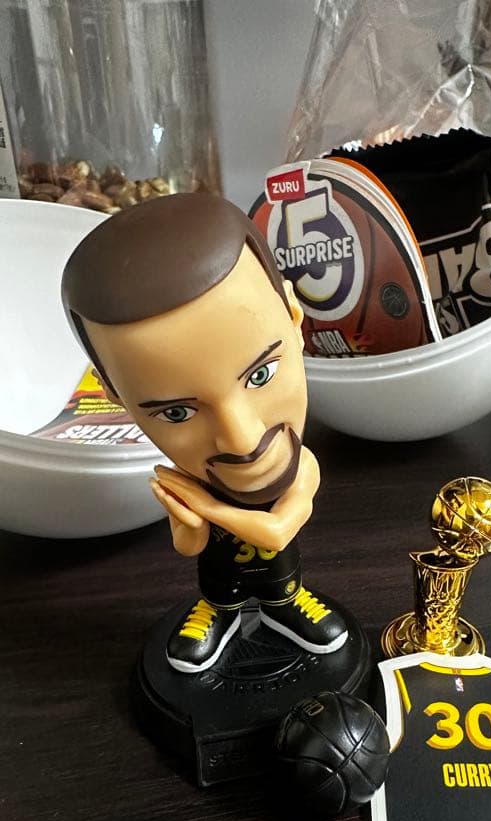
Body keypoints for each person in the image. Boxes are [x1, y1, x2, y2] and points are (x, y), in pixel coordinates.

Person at [63, 193, 347, 674]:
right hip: (221, 586)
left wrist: (209, 508)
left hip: (282, 579)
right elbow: (189, 546)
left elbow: (278, 531)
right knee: (218, 594)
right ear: (113, 393)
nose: (241, 441)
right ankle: (220, 612)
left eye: (260, 375)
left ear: (295, 317)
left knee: (283, 588)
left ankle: (284, 606)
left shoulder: (301, 467)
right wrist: (189, 521)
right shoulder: (190, 484)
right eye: (177, 413)